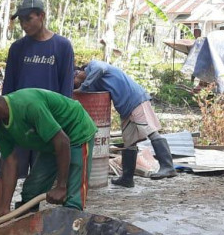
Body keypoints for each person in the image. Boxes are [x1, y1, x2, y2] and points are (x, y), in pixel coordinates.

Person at [0, 78, 95, 221]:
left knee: (72, 199)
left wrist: (61, 186)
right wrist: (1, 210)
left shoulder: (28, 105)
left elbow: (63, 141)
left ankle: (72, 231)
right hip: (53, 143)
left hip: (76, 132)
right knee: (31, 193)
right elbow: (9, 163)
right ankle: (29, 231)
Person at [2, 0, 75, 179]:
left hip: (48, 122)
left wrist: (62, 124)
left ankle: (34, 206)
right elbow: (9, 87)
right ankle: (14, 208)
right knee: (13, 170)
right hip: (20, 122)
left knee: (40, 175)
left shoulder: (62, 46)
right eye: (21, 21)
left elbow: (66, 90)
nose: (24, 25)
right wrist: (4, 123)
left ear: (41, 16)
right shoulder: (17, 48)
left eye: (28, 19)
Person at [74, 60, 176, 188]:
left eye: (76, 81)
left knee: (151, 132)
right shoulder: (94, 82)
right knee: (129, 142)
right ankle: (127, 178)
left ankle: (167, 166)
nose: (78, 84)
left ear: (78, 73)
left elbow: (99, 68)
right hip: (125, 108)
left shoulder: (93, 66)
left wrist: (82, 87)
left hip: (136, 100)